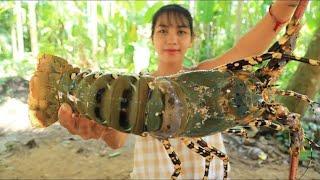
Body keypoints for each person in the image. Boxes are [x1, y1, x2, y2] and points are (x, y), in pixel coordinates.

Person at [58, 1, 300, 179]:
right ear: (152, 38)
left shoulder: (208, 74)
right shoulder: (133, 87)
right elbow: (117, 140)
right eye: (163, 31)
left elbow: (245, 51)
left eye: (181, 31)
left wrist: (284, 10)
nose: (172, 39)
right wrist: (101, 129)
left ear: (191, 39)